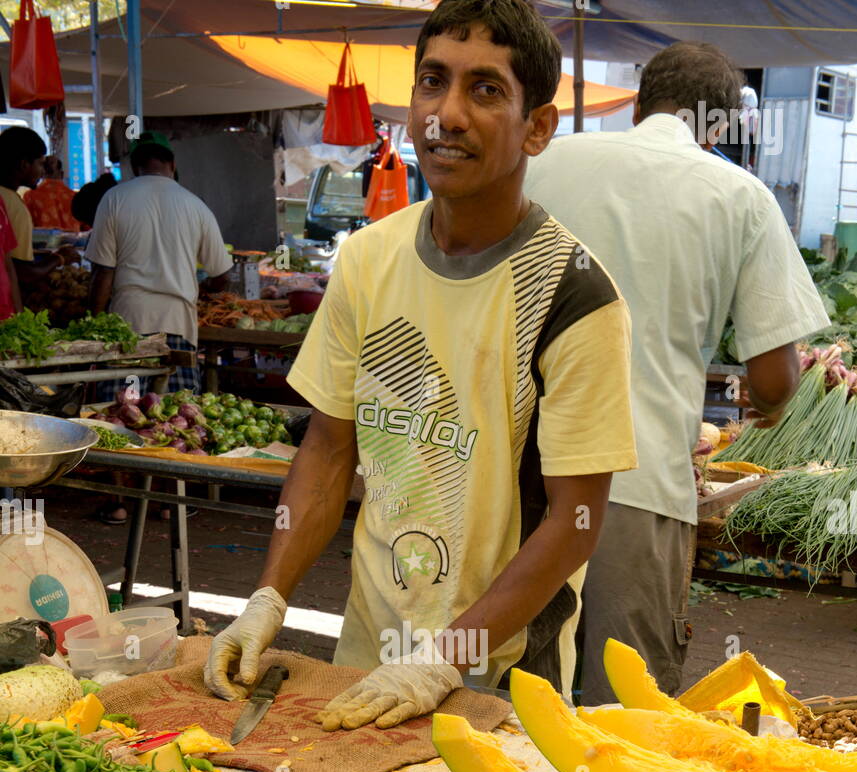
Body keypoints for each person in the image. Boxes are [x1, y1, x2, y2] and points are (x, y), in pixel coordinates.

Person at [205, 0, 637, 727]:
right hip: (365, 660)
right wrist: (267, 597)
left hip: (498, 680)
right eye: (432, 83)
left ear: (537, 127)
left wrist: (444, 657)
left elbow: (577, 518)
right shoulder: (369, 260)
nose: (447, 114)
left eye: (485, 90)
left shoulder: (573, 294)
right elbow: (328, 447)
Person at [524, 42, 830, 704]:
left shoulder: (544, 158)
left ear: (637, 104)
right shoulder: (740, 196)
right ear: (718, 127)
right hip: (632, 484)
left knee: (505, 691)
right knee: (619, 712)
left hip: (514, 469)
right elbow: (773, 383)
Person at [86, 131, 232, 393]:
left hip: (127, 327)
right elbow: (222, 276)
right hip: (178, 330)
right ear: (173, 165)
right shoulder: (196, 206)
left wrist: (92, 327)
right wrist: (206, 286)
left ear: (133, 166)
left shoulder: (115, 198)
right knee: (176, 425)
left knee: (117, 416)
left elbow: (103, 273)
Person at [0, 126, 65, 293]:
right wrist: (60, 258)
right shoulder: (12, 204)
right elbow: (22, 273)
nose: (43, 171)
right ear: (23, 164)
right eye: (40, 164)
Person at [23, 155, 80, 231]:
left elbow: (26, 227)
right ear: (62, 174)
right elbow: (88, 230)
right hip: (74, 242)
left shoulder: (30, 196)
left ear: (41, 173)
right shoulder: (75, 197)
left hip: (44, 242)